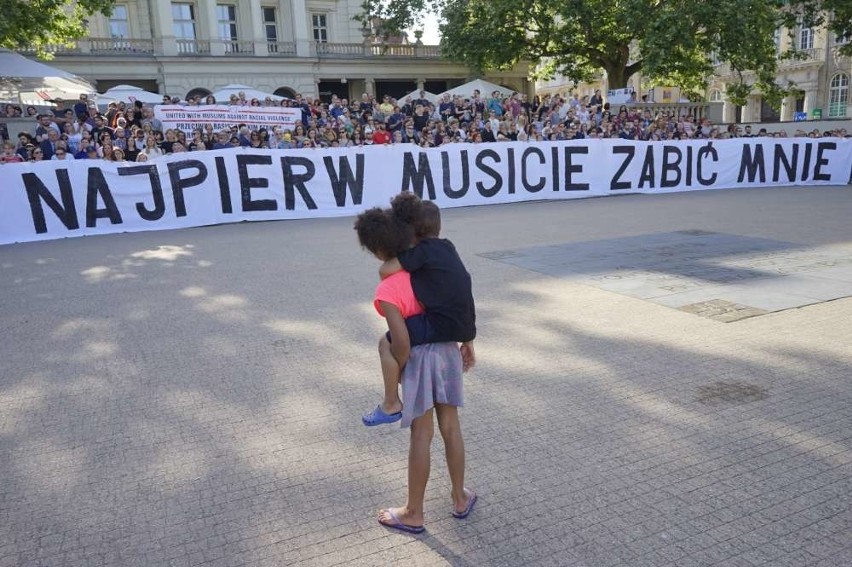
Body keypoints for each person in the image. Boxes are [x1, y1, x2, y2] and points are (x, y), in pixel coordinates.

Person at [354, 204, 476, 534]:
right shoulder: (433, 265)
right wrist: (468, 339)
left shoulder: (395, 282)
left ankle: (414, 512)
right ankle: (460, 497)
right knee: (451, 426)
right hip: (449, 348)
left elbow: (400, 340)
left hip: (420, 356)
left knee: (421, 433)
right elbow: (460, 290)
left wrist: (402, 366)